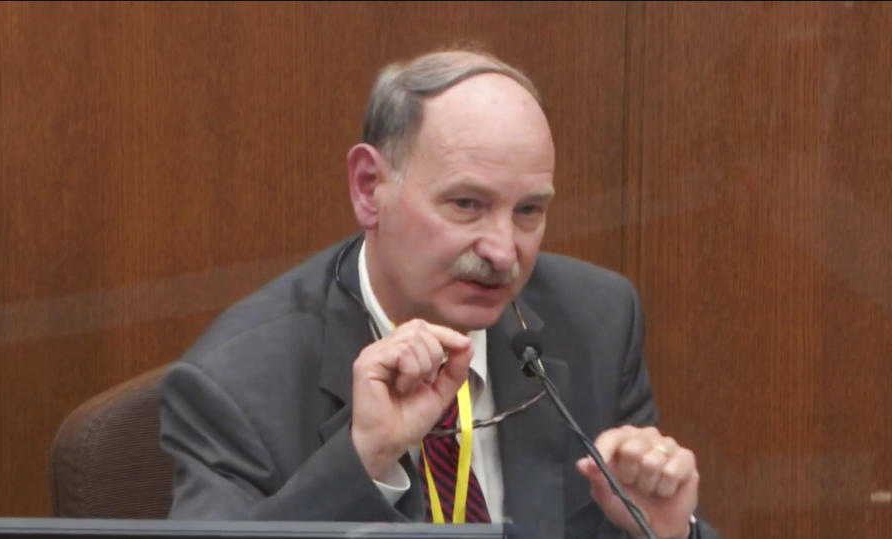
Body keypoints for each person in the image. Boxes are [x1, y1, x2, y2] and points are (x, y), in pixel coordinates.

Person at [159, 49, 717, 538]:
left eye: (528, 211)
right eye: (466, 205)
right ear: (369, 189)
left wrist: (665, 533)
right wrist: (365, 462)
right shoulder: (237, 385)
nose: (503, 251)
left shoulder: (597, 320)